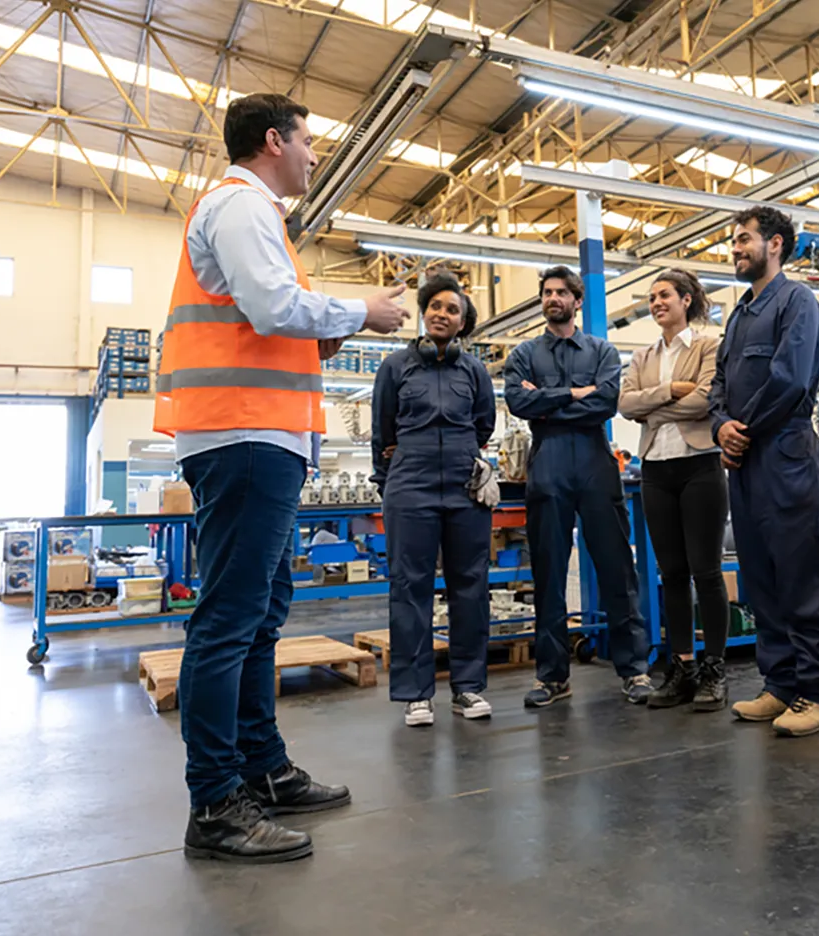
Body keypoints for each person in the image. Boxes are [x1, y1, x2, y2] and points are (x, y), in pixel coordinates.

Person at [155, 92, 408, 863]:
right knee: (229, 619)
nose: (313, 155)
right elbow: (271, 306)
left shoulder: (256, 214)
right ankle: (215, 802)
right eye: (308, 141)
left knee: (262, 612)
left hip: (261, 434)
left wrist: (319, 338)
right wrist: (358, 311)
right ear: (273, 140)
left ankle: (260, 770)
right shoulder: (240, 206)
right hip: (240, 433)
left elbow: (266, 319)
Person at [711, 206, 819, 738]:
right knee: (762, 579)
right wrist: (721, 424)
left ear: (775, 245)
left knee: (802, 579)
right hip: (744, 464)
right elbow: (719, 381)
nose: (736, 248)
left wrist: (740, 430)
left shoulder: (798, 302)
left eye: (744, 239)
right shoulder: (740, 313)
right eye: (734, 240)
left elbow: (791, 380)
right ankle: (781, 684)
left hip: (786, 456)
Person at [504, 266, 653, 707]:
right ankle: (552, 676)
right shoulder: (525, 353)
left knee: (616, 568)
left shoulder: (602, 351)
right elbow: (518, 402)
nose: (553, 298)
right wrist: (573, 394)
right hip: (547, 459)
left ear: (576, 300)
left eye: (561, 292)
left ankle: (634, 670)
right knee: (548, 572)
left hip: (594, 458)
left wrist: (548, 399)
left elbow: (607, 402)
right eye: (547, 292)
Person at [371, 272, 498, 728]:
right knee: (410, 587)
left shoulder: (475, 371)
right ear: (424, 314)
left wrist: (465, 458)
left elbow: (484, 425)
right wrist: (392, 481)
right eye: (436, 307)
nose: (443, 314)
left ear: (463, 323)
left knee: (471, 585)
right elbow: (381, 431)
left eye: (453, 310)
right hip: (410, 484)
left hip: (464, 486)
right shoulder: (394, 367)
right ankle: (415, 694)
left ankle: (467, 688)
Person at [619, 269, 729, 712]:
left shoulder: (708, 345)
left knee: (706, 570)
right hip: (656, 470)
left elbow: (705, 398)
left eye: (664, 294)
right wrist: (667, 391)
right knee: (672, 575)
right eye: (652, 296)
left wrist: (654, 408)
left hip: (700, 464)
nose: (656, 302)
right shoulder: (642, 355)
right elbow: (626, 404)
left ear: (687, 299)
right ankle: (681, 667)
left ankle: (714, 668)